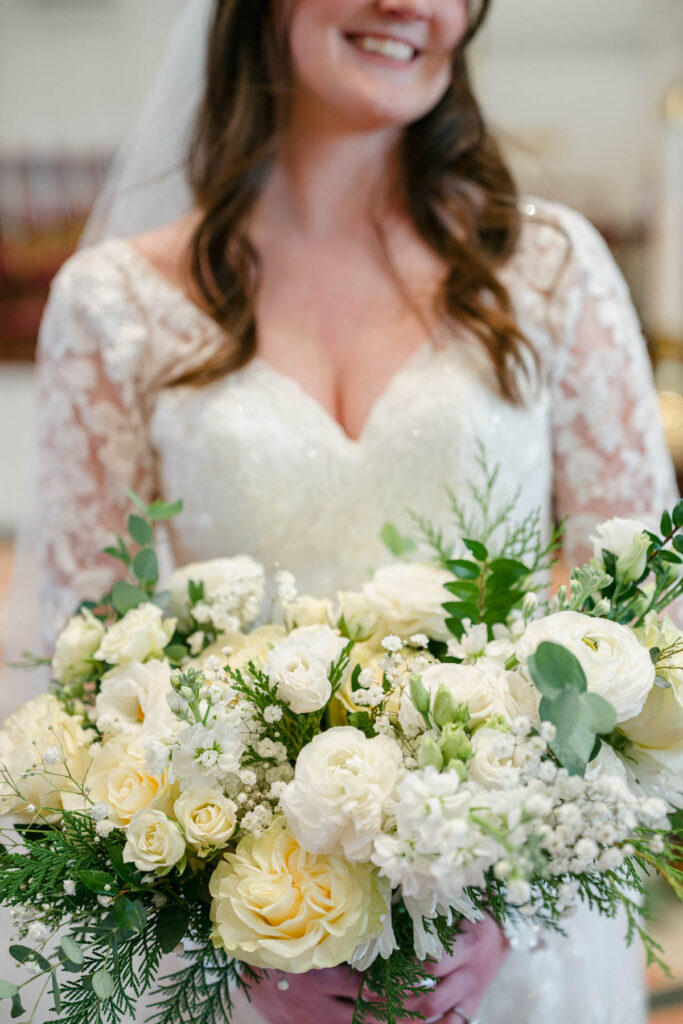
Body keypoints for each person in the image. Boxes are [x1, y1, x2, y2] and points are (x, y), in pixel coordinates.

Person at [24, 0, 678, 1021]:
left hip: (522, 947)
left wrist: (508, 897)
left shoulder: (548, 270)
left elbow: (647, 618)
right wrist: (248, 934)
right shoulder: (112, 307)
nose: (409, 5)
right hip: (245, 959)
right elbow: (81, 660)